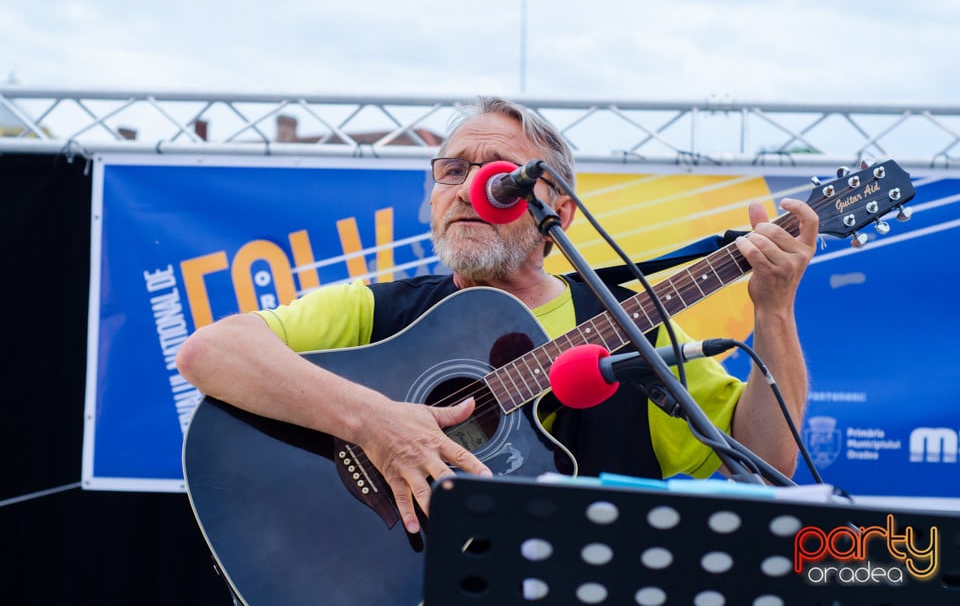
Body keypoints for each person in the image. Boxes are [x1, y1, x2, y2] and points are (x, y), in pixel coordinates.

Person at [176, 96, 819, 535]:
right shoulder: (376, 309)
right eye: (452, 170)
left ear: (559, 215)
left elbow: (765, 455)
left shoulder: (632, 327)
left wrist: (776, 310)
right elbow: (209, 353)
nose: (467, 188)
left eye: (500, 175)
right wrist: (376, 423)